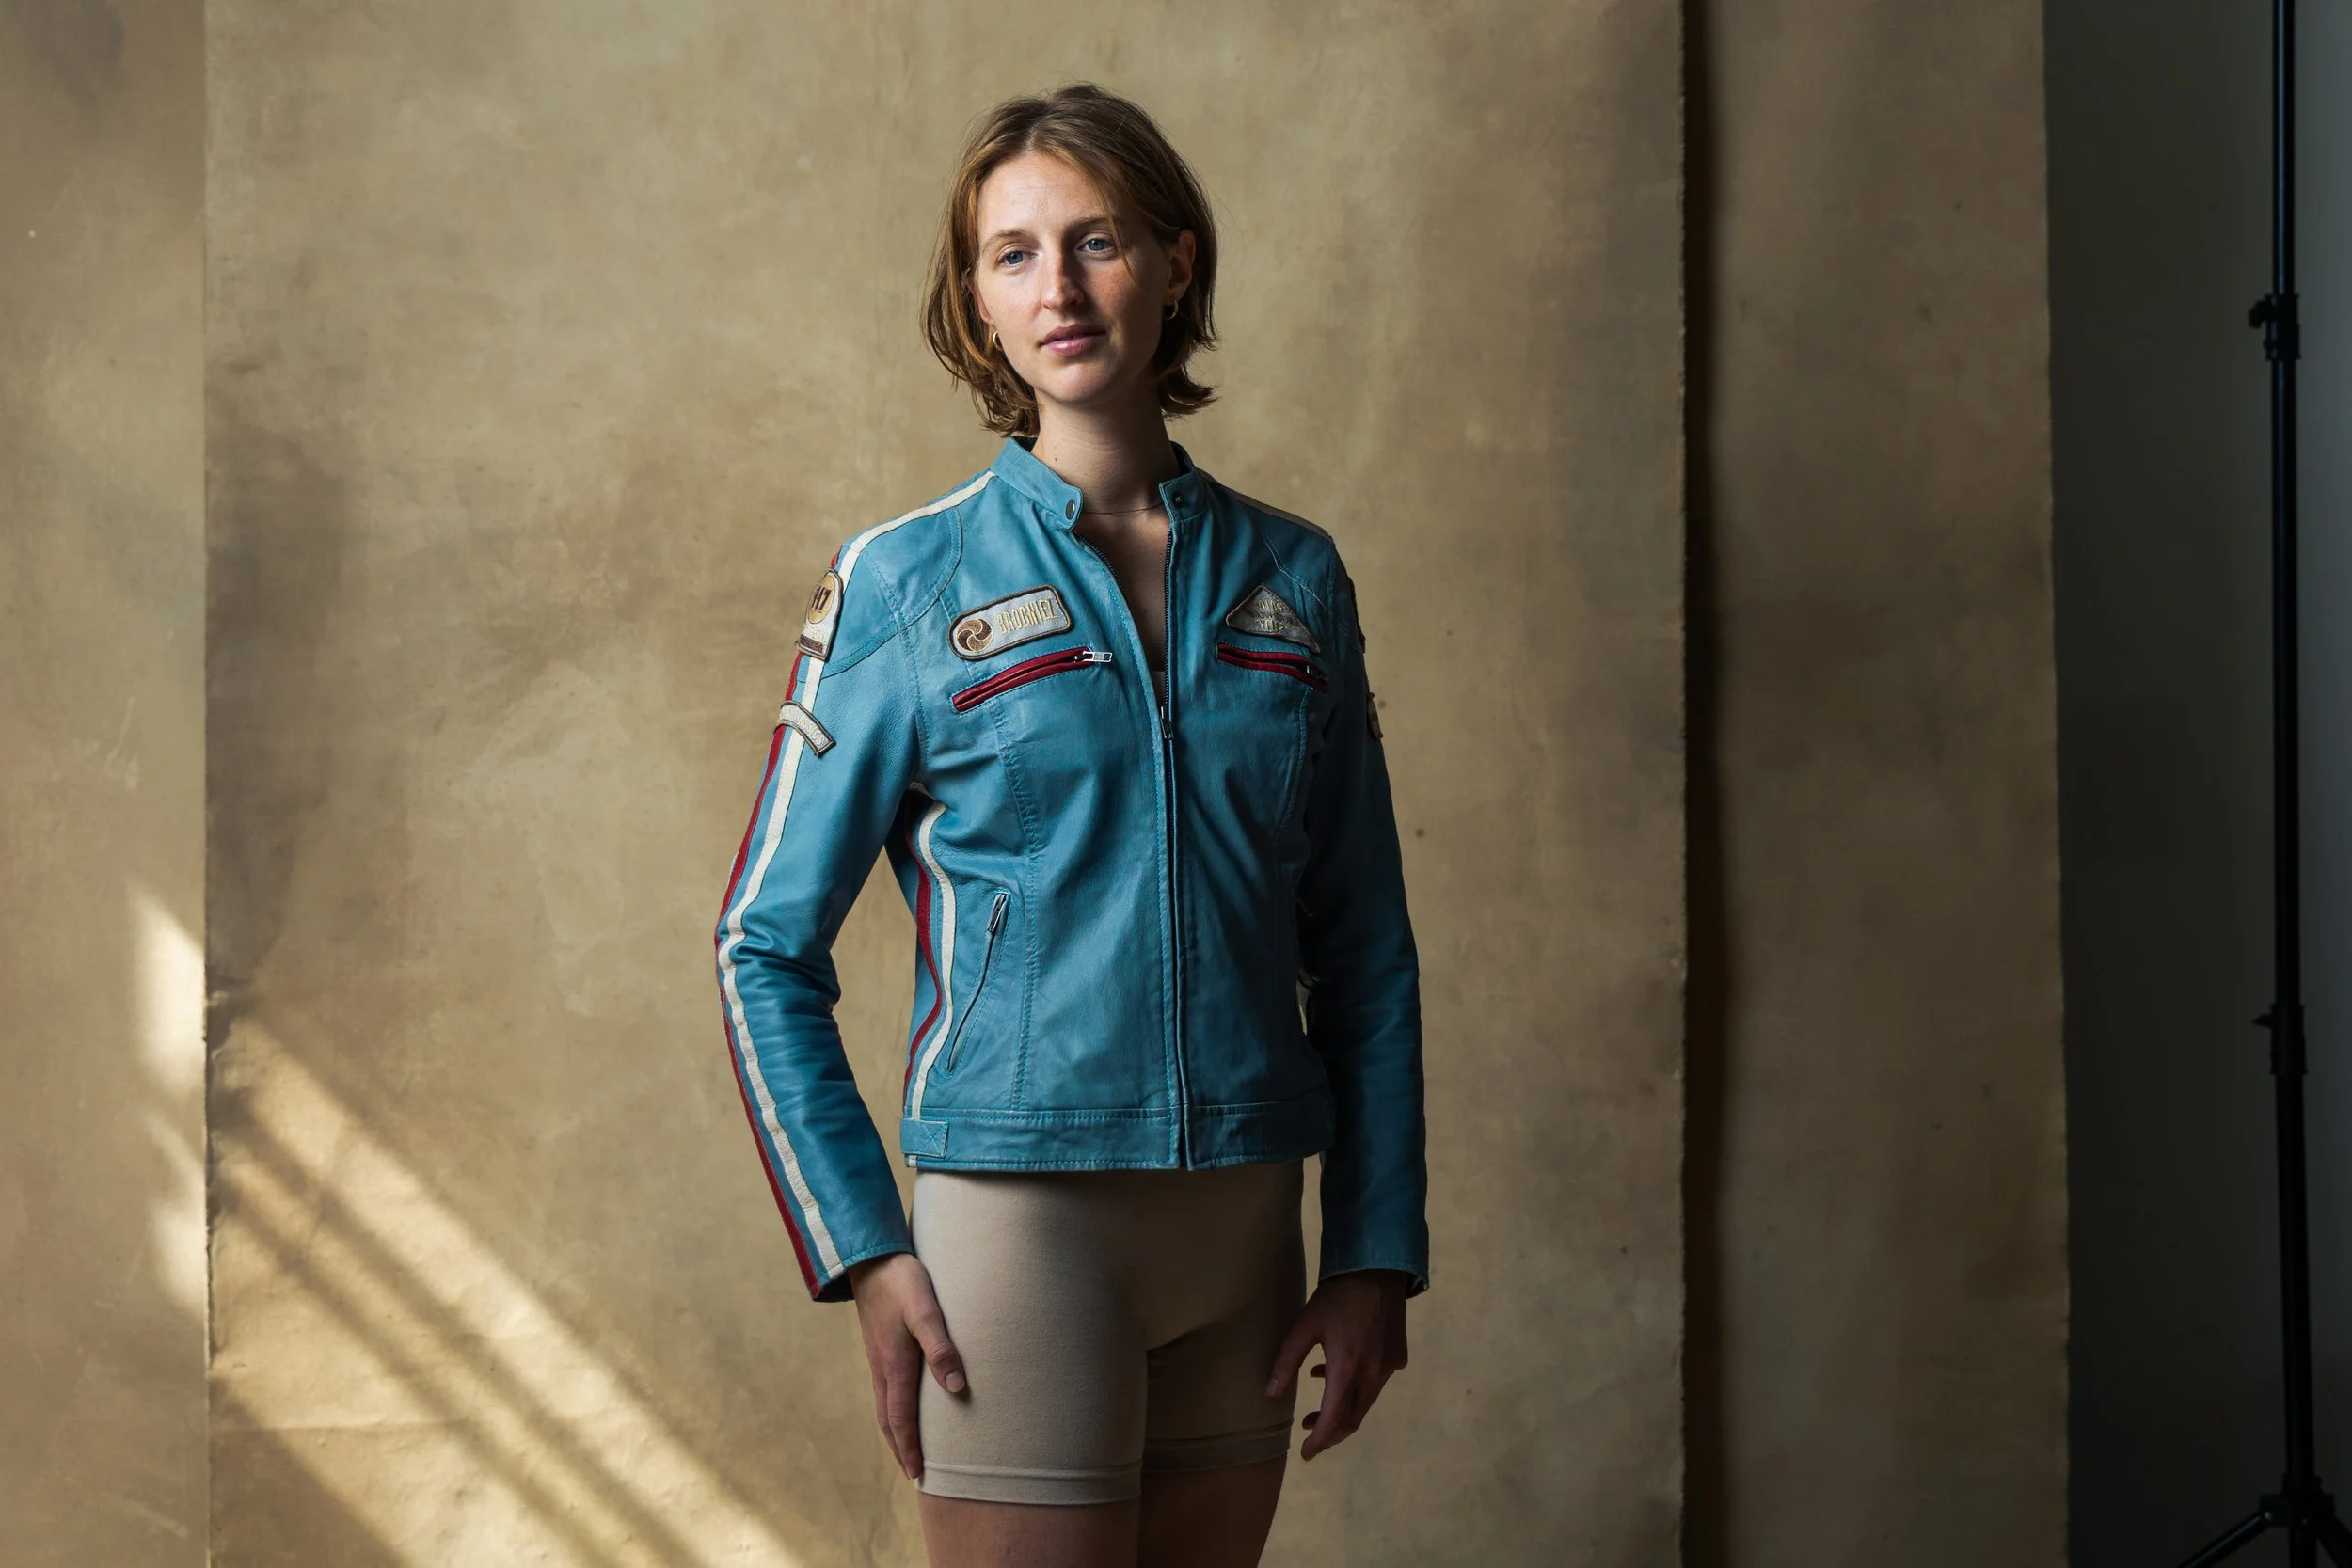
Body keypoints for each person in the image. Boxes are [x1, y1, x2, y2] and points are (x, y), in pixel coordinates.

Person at [712, 82, 1426, 1568]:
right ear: (976, 301)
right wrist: (863, 1243)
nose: (1059, 286)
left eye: (1095, 240)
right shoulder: (905, 585)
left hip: (1249, 1232)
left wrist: (1374, 1252)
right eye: (1014, 253)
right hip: (1019, 1240)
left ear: (1173, 261)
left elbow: (1366, 952)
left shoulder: (1299, 581)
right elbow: (760, 943)